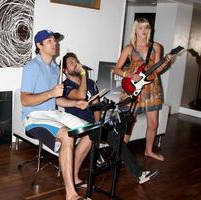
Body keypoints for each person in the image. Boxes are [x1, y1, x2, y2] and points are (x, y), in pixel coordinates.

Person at [62, 52, 158, 184]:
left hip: (92, 123)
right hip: (77, 124)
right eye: (71, 63)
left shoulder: (90, 83)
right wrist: (84, 74)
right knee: (96, 135)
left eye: (76, 61)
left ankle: (138, 173)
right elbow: (80, 95)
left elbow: (96, 104)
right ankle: (74, 177)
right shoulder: (65, 86)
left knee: (117, 131)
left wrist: (98, 122)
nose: (76, 64)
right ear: (65, 70)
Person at [21, 29, 92, 200]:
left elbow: (58, 100)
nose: (55, 43)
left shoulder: (55, 69)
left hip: (53, 113)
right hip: (35, 117)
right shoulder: (32, 67)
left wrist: (76, 103)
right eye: (50, 41)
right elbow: (25, 100)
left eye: (55, 40)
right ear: (39, 46)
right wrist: (51, 93)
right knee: (68, 137)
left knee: (90, 133)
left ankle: (72, 176)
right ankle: (72, 195)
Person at [113, 18, 173, 161]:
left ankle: (148, 151)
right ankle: (120, 154)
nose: (144, 31)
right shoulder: (129, 48)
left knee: (153, 124)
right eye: (140, 28)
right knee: (129, 123)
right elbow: (116, 69)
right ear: (135, 30)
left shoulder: (156, 47)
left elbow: (157, 70)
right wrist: (129, 75)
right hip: (134, 88)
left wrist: (165, 63)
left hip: (152, 88)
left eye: (146, 28)